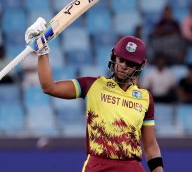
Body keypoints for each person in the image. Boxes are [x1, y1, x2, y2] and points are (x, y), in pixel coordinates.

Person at [25, 17, 164, 172]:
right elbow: (49, 87)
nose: (123, 66)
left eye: (130, 63)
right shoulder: (92, 85)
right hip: (98, 166)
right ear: (114, 57)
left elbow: (151, 145)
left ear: (140, 66)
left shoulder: (145, 98)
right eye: (121, 60)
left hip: (131, 166)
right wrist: (43, 52)